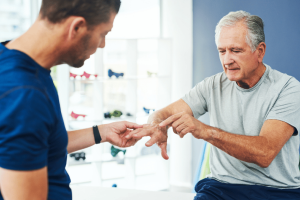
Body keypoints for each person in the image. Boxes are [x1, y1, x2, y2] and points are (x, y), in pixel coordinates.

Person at [127, 10, 300, 199]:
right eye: (222, 51)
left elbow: (264, 153)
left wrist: (206, 131)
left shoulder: (288, 89)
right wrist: (156, 125)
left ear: (260, 51)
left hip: (276, 191)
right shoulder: (212, 85)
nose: (227, 60)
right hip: (221, 188)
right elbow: (163, 113)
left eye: (235, 50)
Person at [0, 0, 142, 200]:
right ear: (77, 27)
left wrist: (101, 132)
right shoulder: (24, 94)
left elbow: (39, 141)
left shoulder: (10, 57)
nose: (102, 45)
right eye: (103, 34)